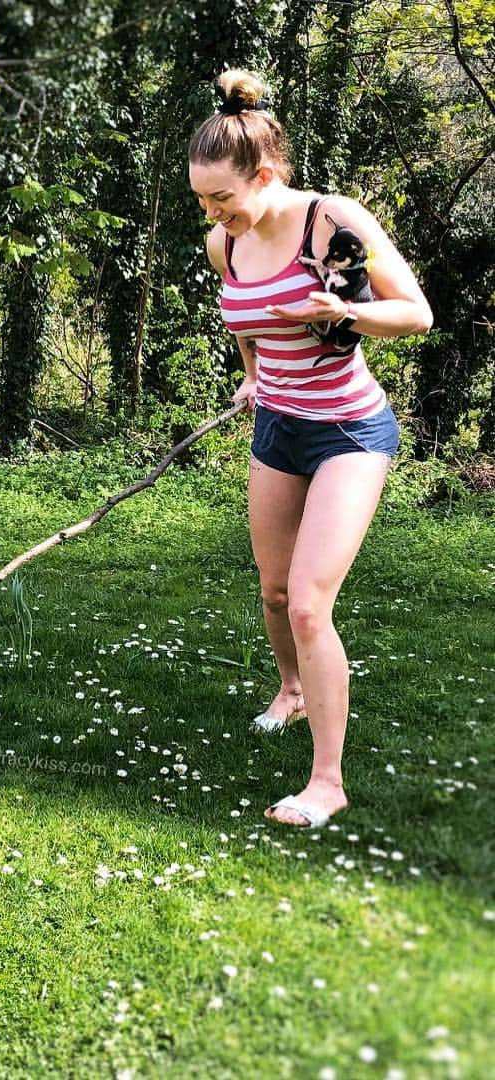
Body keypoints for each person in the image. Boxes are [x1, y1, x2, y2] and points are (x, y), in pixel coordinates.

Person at [188, 70, 432, 828]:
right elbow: (243, 320)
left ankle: (328, 782)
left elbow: (416, 314)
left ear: (266, 174)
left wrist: (343, 313)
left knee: (306, 602)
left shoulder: (332, 220)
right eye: (202, 200)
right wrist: (255, 378)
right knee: (270, 590)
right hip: (278, 429)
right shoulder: (222, 242)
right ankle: (290, 693)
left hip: (349, 431)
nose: (213, 212)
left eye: (223, 197)